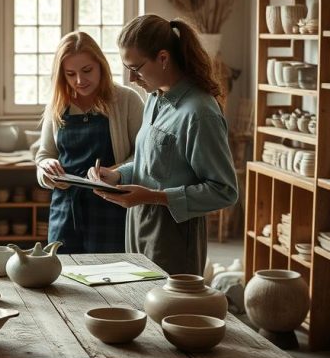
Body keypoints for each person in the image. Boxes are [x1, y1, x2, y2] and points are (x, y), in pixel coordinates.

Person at [87, 15, 238, 276]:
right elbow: (154, 165)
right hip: (137, 227)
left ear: (164, 58)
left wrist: (153, 197)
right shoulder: (155, 99)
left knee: (168, 314)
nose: (131, 78)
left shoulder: (200, 112)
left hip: (174, 239)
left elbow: (224, 191)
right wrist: (118, 174)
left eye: (136, 68)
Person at [34, 32, 144, 254]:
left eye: (87, 71)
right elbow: (44, 155)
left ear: (101, 65)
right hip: (64, 211)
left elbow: (144, 156)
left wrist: (117, 173)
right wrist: (46, 172)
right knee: (63, 277)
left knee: (112, 278)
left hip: (113, 209)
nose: (79, 81)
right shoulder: (57, 105)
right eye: (70, 74)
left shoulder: (126, 100)